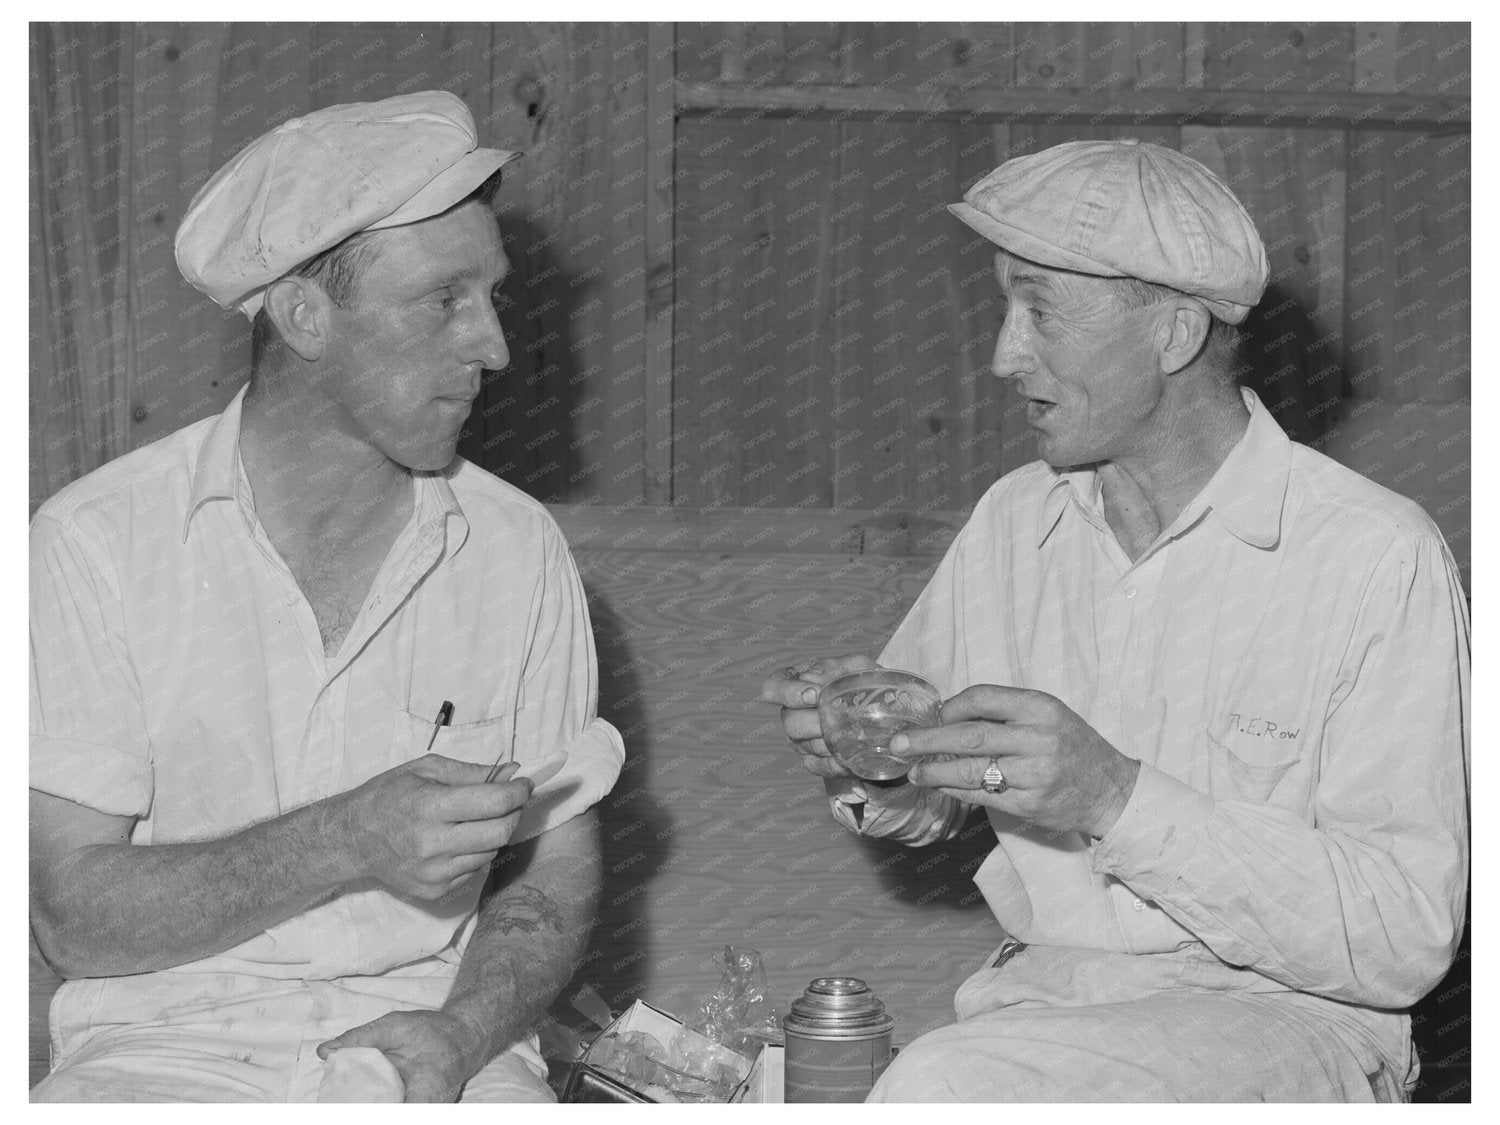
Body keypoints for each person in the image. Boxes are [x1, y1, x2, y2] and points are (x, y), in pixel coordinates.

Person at [763, 139, 1469, 1102]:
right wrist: (873, 748)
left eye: (1041, 312)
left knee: (945, 1086)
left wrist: (1113, 797)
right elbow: (936, 797)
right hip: (1044, 1004)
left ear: (1174, 334)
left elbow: (1402, 939)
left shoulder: (1374, 555)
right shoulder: (1017, 520)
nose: (1004, 355)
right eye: (1006, 309)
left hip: (1293, 1024)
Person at [29, 91, 623, 1103]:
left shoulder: (516, 547)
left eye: (492, 296)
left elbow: (553, 873)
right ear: (305, 315)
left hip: (445, 1041)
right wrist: (345, 837)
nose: (493, 347)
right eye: (444, 299)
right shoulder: (95, 544)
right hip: (164, 1045)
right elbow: (72, 919)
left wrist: (462, 1032)